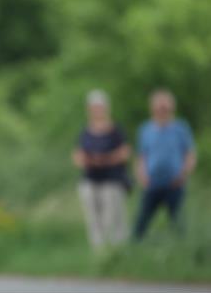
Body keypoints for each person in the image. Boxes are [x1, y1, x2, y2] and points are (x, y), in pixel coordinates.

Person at [133, 89, 197, 239]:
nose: (162, 110)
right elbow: (142, 156)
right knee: (141, 221)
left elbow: (189, 154)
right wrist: (141, 176)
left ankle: (181, 249)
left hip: (175, 182)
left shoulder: (181, 128)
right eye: (159, 107)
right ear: (152, 108)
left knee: (177, 221)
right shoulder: (145, 129)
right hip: (152, 183)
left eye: (165, 107)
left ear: (171, 107)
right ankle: (134, 249)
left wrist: (183, 174)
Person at [72, 90, 131, 250]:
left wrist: (105, 159)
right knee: (93, 218)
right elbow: (77, 155)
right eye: (94, 107)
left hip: (112, 179)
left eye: (100, 107)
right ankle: (99, 250)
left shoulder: (115, 130)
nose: (97, 110)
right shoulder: (85, 131)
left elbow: (125, 152)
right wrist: (89, 160)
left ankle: (116, 249)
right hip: (91, 178)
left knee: (111, 216)